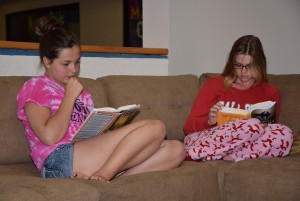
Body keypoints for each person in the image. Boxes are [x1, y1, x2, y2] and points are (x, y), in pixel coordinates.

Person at [16, 16, 186, 181]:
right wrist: (69, 96)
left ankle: (113, 180)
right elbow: (49, 137)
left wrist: (109, 128)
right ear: (47, 61)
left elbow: (89, 136)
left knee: (175, 150)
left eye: (77, 62)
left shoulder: (84, 94)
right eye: (66, 64)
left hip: (87, 153)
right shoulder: (36, 87)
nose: (73, 69)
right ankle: (106, 173)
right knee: (156, 127)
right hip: (58, 160)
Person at [183, 35, 293, 162]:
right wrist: (209, 121)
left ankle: (229, 157)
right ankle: (193, 153)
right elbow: (188, 128)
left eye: (249, 66)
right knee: (252, 125)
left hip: (245, 146)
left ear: (260, 65)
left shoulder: (270, 92)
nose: (243, 72)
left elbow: (268, 134)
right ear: (231, 63)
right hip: (207, 140)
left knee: (284, 133)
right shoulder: (214, 84)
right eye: (238, 65)